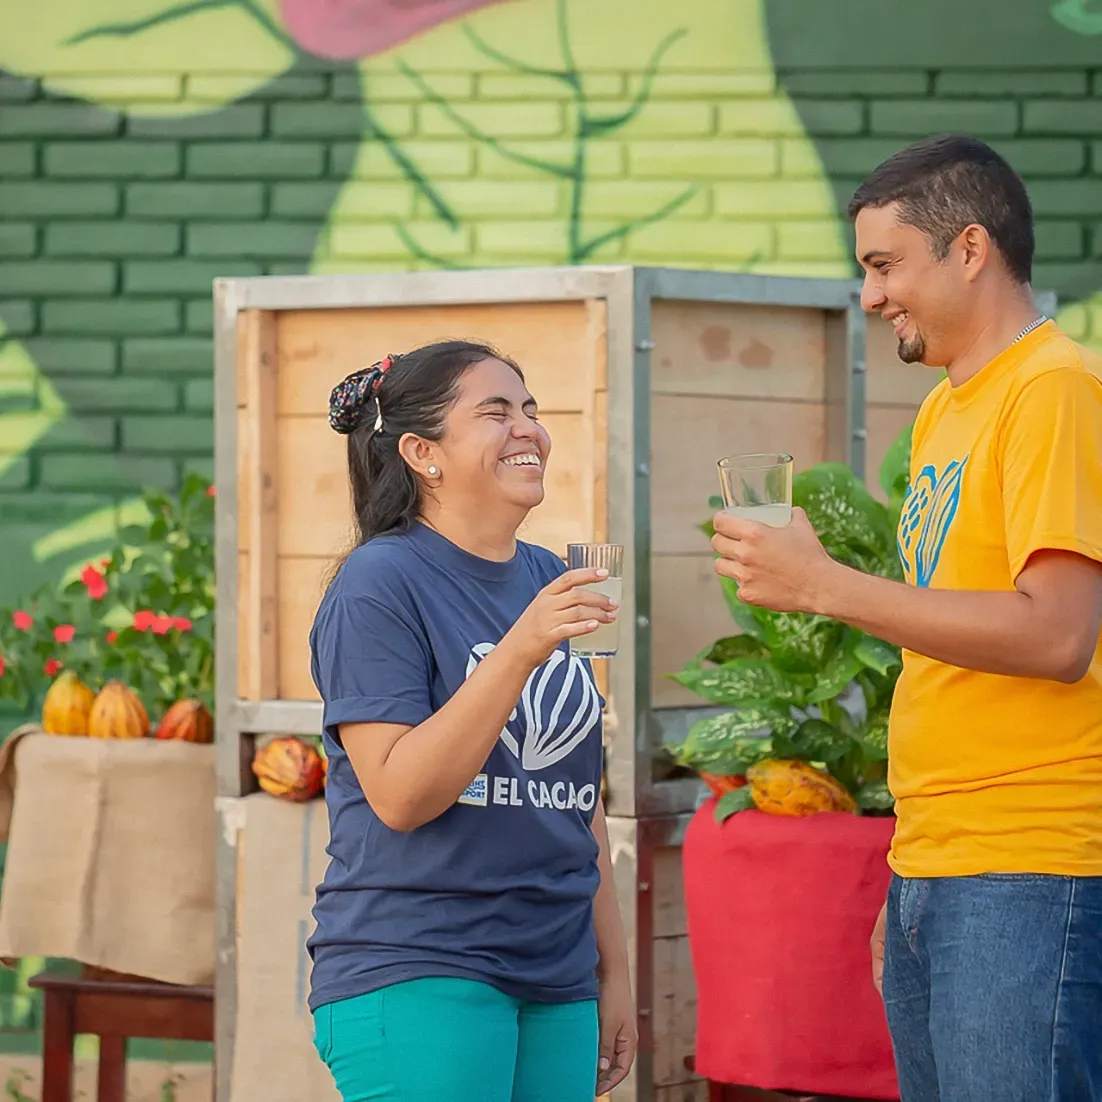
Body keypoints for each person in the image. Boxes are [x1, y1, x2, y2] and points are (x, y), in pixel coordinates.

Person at [709, 134, 1102, 1101]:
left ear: (969, 249)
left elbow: (1057, 635)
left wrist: (822, 585)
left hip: (1032, 861)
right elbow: (947, 653)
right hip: (946, 863)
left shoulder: (1052, 391)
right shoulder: (944, 410)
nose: (871, 296)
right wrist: (910, 871)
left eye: (884, 266)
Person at [305, 340, 637, 1102]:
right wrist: (520, 647)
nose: (527, 429)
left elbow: (574, 800)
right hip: (419, 965)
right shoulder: (378, 583)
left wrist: (611, 972)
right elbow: (400, 795)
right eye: (496, 413)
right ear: (424, 453)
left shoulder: (550, 577)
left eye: (531, 410)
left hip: (556, 973)